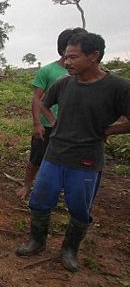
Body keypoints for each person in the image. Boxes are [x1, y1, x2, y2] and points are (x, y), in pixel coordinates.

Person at [15, 32, 130, 272]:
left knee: (79, 207)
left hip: (86, 159)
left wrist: (110, 130)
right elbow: (44, 103)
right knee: (39, 201)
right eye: (66, 57)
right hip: (55, 154)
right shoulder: (64, 83)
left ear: (94, 56)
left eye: (73, 57)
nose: (67, 62)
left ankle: (69, 250)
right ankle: (37, 241)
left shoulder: (117, 87)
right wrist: (53, 122)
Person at [17, 28, 87, 200]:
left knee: (68, 160)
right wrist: (37, 123)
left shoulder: (85, 75)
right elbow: (37, 99)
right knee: (37, 157)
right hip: (48, 126)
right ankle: (27, 185)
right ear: (64, 49)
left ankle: (60, 189)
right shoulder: (48, 72)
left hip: (73, 129)